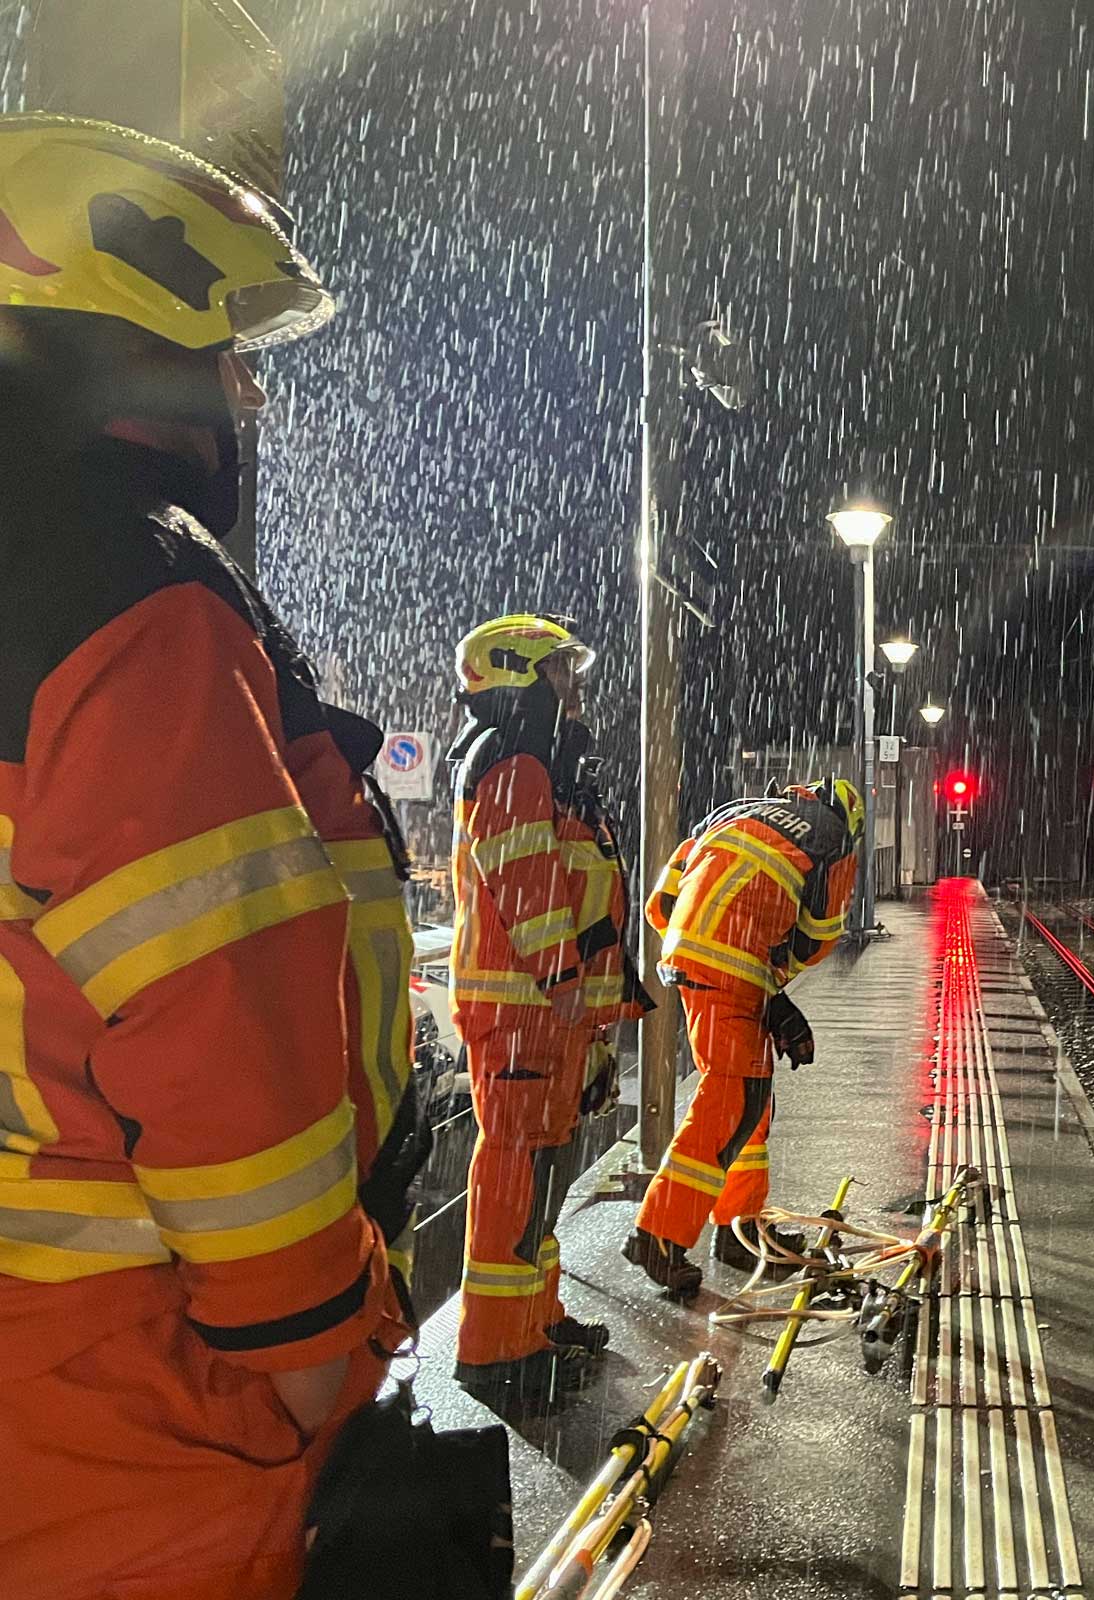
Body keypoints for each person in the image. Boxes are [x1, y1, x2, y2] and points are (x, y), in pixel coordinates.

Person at [0, 114, 412, 1597]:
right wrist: (319, 1349)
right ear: (112, 363)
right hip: (128, 1393)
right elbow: (219, 1012)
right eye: (223, 355)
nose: (248, 394)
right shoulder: (133, 603)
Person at [447, 613, 638, 1412]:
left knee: (543, 1172)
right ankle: (493, 1352)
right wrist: (567, 988)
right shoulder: (514, 763)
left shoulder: (542, 764)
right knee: (517, 1173)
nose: (576, 687)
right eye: (561, 673)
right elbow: (527, 887)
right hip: (525, 1008)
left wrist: (588, 1020)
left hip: (547, 1013)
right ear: (522, 680)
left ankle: (534, 1321)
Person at [623, 781, 863, 1297]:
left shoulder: (734, 812)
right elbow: (818, 937)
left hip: (692, 959)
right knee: (731, 1099)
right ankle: (658, 1235)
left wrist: (711, 951)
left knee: (751, 1100)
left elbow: (659, 905)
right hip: (736, 967)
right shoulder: (832, 841)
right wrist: (774, 987)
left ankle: (739, 1228)